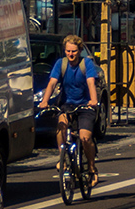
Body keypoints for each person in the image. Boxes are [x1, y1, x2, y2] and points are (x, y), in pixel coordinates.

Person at [39, 33, 102, 187]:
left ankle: (92, 169)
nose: (71, 54)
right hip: (67, 105)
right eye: (68, 51)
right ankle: (63, 159)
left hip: (85, 105)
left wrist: (93, 100)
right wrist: (45, 101)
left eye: (73, 51)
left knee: (85, 137)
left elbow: (91, 83)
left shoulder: (86, 63)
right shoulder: (61, 64)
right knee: (61, 127)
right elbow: (52, 83)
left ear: (79, 51)